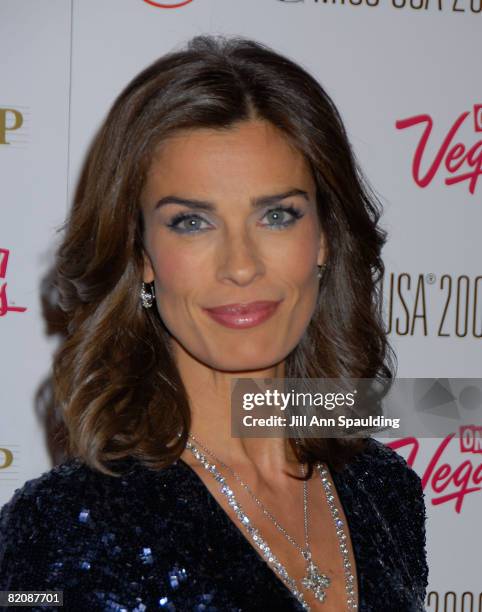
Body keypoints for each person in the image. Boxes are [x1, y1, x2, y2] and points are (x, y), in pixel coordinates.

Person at [0, 34, 428, 611]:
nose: (241, 266)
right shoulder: (62, 531)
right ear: (142, 256)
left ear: (324, 238)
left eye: (277, 215)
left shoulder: (386, 493)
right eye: (192, 223)